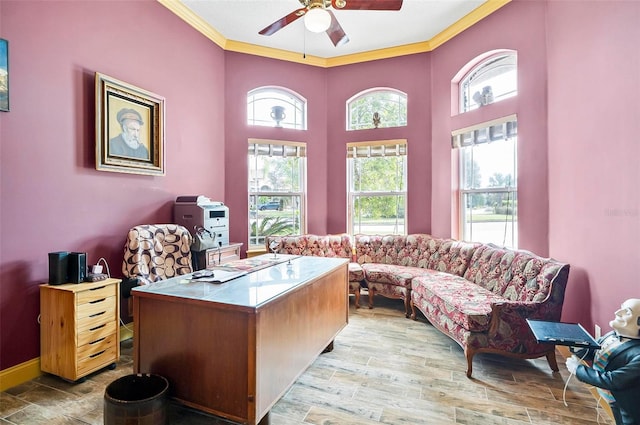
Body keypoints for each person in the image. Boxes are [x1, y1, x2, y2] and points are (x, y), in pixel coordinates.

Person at [566, 298, 640, 425]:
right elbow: (595, 353)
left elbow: (613, 380)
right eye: (621, 307)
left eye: (627, 312)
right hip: (612, 399)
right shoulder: (611, 335)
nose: (617, 312)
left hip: (628, 406)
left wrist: (578, 370)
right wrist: (578, 346)